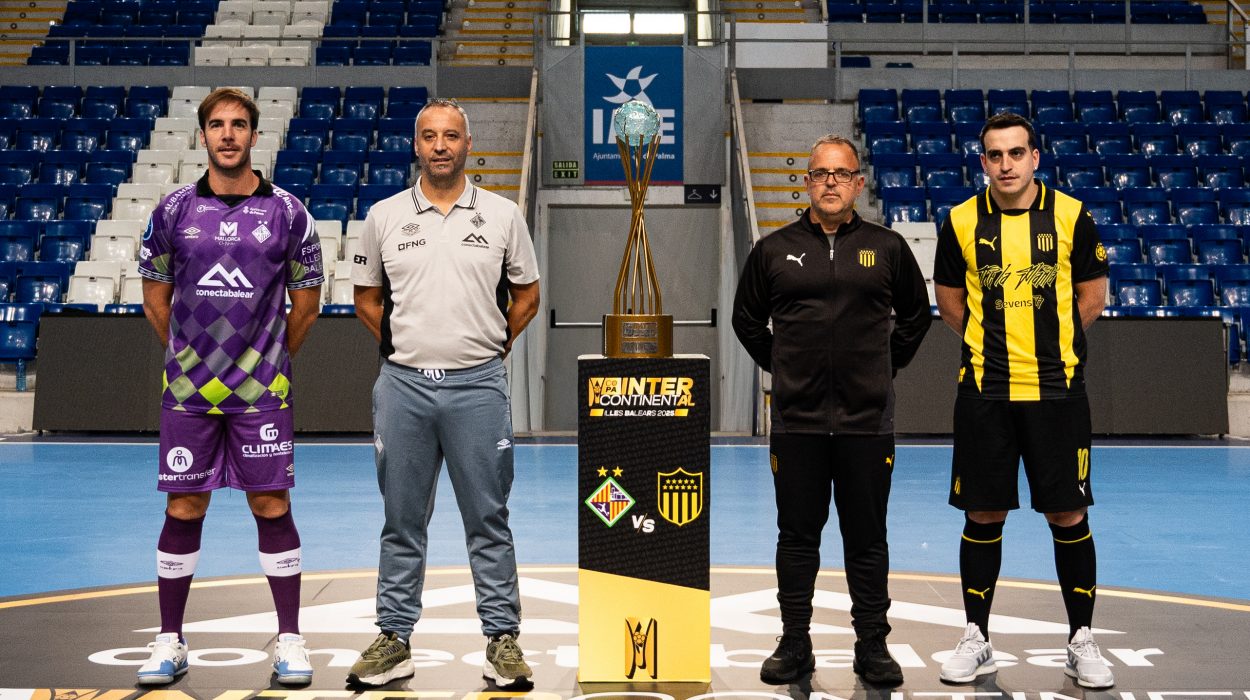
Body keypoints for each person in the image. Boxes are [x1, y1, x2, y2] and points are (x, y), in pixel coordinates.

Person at [347, 97, 541, 689]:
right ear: (416, 145)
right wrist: (404, 347)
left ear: (468, 144)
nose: (439, 146)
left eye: (450, 136)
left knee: (488, 518)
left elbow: (528, 296)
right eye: (429, 136)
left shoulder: (503, 215)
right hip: (403, 388)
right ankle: (394, 638)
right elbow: (366, 298)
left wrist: (491, 346)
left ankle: (502, 640)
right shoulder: (383, 216)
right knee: (402, 519)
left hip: (477, 387)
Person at [136, 87, 323, 686]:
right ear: (203, 136)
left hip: (262, 394)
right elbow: (155, 299)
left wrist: (266, 363)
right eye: (216, 124)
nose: (227, 134)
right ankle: (170, 640)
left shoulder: (289, 213)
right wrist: (193, 362)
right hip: (188, 395)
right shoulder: (172, 211)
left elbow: (308, 305)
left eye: (238, 124)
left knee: (272, 505)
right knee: (183, 506)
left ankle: (290, 640)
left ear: (254, 135)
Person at [732, 134, 931, 686]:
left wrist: (882, 366)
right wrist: (785, 365)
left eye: (841, 174)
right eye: (821, 173)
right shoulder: (773, 250)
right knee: (797, 537)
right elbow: (746, 320)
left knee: (867, 539)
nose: (830, 183)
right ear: (807, 182)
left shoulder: (888, 247)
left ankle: (872, 644)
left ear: (858, 183)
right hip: (797, 422)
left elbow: (916, 317)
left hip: (867, 422)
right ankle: (795, 642)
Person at [932, 112, 1113, 689]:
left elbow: (1092, 298)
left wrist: (1050, 351)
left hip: (1057, 393)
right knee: (983, 512)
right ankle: (976, 637)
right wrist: (992, 347)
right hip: (985, 392)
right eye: (995, 154)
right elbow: (949, 302)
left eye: (1016, 153)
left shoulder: (1071, 215)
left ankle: (1081, 639)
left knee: (1068, 513)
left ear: (1035, 156)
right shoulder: (960, 220)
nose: (1006, 164)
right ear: (983, 161)